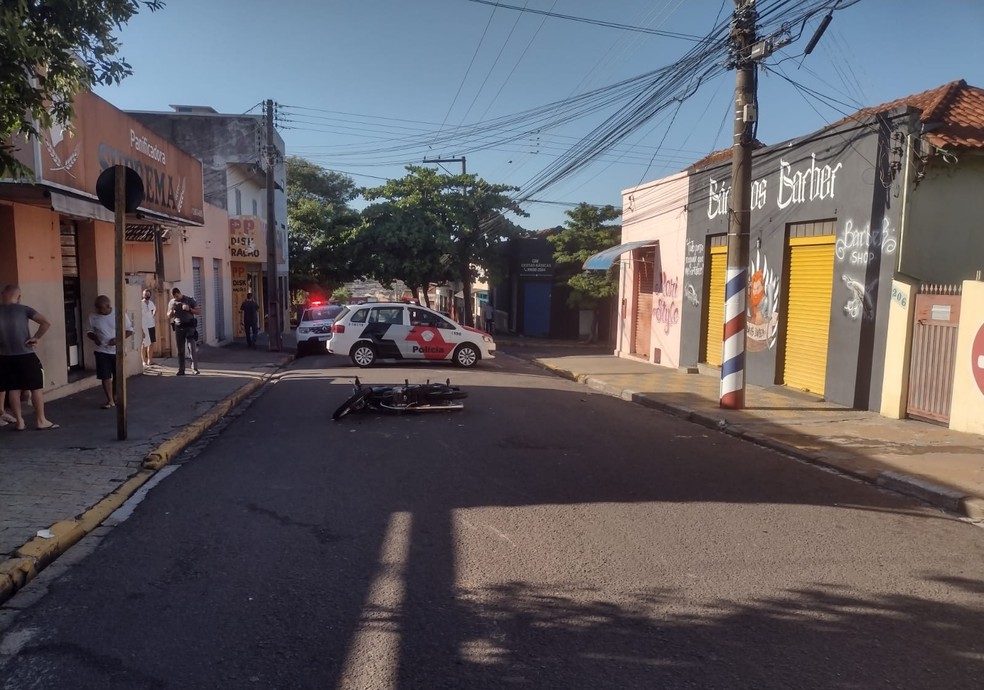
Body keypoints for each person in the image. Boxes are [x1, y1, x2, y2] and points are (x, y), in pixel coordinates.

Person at [0, 284, 58, 430]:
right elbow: (46, 322)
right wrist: (36, 337)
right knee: (36, 387)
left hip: (5, 356)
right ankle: (41, 420)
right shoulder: (24, 309)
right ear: (18, 297)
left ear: (2, 294)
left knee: (13, 388)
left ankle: (19, 422)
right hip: (26, 354)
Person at [86, 295, 133, 409]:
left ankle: (116, 396)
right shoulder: (93, 317)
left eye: (101, 308)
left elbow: (129, 330)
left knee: (118, 375)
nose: (98, 311)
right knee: (105, 376)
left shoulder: (119, 314)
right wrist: (95, 338)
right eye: (97, 308)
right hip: (101, 350)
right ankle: (110, 400)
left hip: (117, 351)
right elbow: (89, 331)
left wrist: (118, 340)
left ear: (108, 306)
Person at [167, 287, 201, 375]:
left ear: (179, 293)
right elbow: (168, 315)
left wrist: (189, 309)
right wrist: (171, 312)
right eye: (174, 297)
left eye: (177, 296)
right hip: (179, 327)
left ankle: (195, 369)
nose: (176, 298)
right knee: (180, 349)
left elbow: (198, 311)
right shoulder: (172, 302)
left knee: (191, 348)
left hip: (189, 327)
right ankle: (181, 369)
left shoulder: (189, 300)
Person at [140, 288, 157, 367]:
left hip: (151, 325)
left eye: (148, 294)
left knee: (151, 343)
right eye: (145, 294)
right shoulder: (140, 303)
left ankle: (150, 360)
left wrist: (153, 314)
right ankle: (143, 360)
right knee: (144, 343)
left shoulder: (151, 303)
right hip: (144, 326)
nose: (147, 295)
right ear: (143, 295)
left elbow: (154, 309)